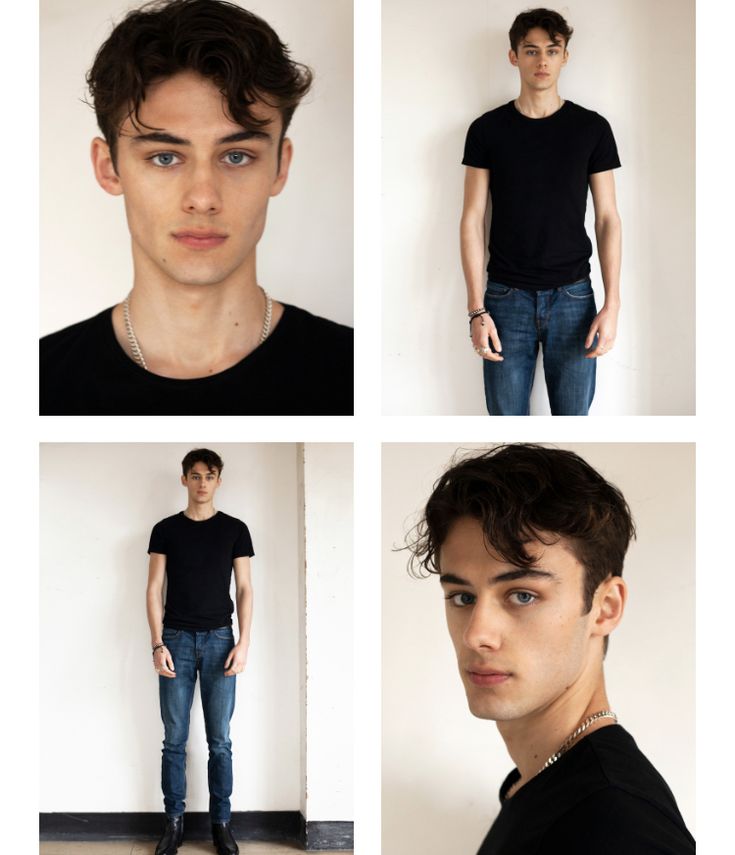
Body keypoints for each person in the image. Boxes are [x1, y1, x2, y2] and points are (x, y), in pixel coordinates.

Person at [40, 0, 353, 415]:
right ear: (108, 168)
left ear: (281, 167)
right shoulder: (31, 382)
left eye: (237, 156)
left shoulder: (354, 373)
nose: (203, 198)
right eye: (165, 157)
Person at [405, 444, 695, 853]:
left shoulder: (617, 824)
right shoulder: (536, 781)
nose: (476, 635)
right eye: (463, 598)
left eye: (522, 595)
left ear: (604, 608)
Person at [460, 9, 622, 415]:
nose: (542, 61)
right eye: (531, 51)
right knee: (506, 427)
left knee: (572, 425)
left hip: (574, 296)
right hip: (504, 298)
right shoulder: (487, 130)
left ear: (565, 56)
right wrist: (476, 308)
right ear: (514, 56)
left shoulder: (592, 129)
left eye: (552, 50)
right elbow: (472, 219)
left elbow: (608, 219)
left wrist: (612, 303)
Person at [147, 448, 254, 855]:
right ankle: (173, 825)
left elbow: (244, 589)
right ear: (184, 480)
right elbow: (154, 589)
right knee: (174, 740)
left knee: (219, 741)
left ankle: (221, 826)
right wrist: (157, 643)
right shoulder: (165, 530)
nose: (202, 483)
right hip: (174, 640)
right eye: (195, 476)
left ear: (219, 480)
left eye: (209, 476)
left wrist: (243, 642)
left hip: (220, 641)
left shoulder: (235, 530)